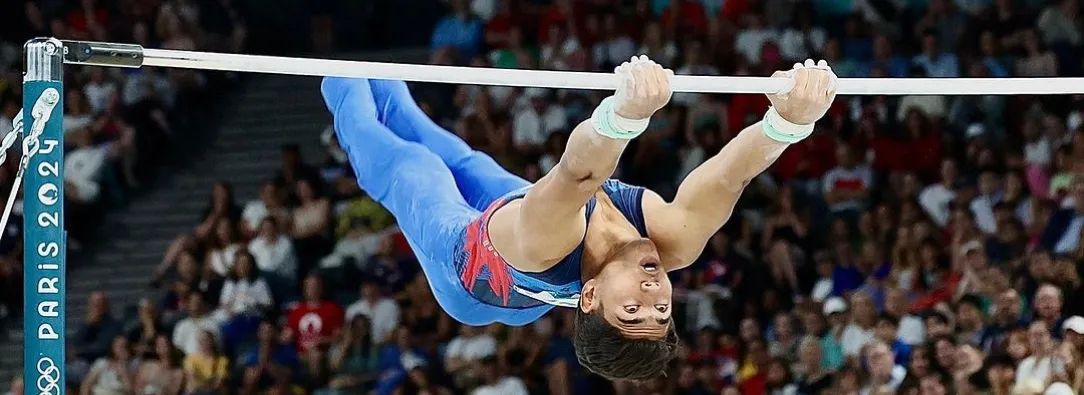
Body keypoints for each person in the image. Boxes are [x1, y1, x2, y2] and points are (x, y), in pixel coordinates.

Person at [320, 56, 838, 381]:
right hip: (521, 253)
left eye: (631, 311)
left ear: (589, 297)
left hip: (468, 275)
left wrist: (625, 115)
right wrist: (787, 123)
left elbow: (576, 173)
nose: (654, 300)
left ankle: (333, 64)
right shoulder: (671, 243)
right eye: (660, 315)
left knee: (413, 165)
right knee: (458, 156)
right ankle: (377, 66)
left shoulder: (550, 242)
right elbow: (729, 179)